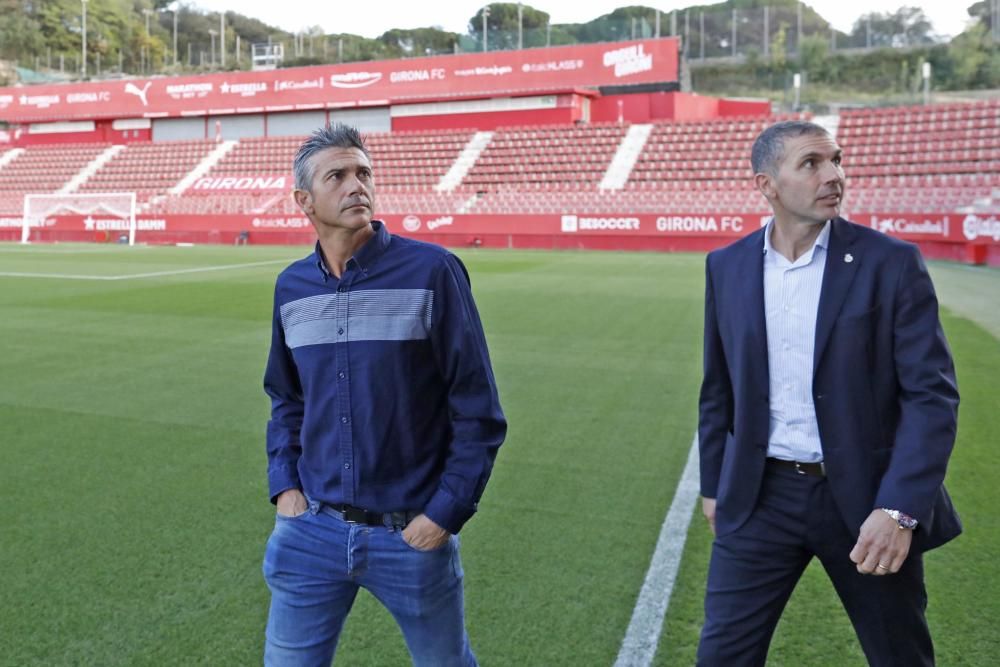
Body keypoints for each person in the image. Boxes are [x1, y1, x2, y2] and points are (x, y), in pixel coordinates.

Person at [696, 120, 961, 666]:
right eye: (811, 164)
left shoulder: (890, 263)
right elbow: (717, 389)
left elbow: (930, 398)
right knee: (721, 657)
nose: (833, 175)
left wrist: (898, 510)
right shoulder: (726, 267)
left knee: (899, 656)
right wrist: (713, 484)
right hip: (759, 498)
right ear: (767, 185)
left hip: (868, 500)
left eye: (836, 160)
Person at [261, 123, 506, 666]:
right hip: (311, 533)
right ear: (305, 200)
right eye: (338, 176)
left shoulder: (432, 271)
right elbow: (287, 400)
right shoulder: (291, 288)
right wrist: (287, 490)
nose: (357, 186)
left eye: (363, 172)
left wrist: (444, 513)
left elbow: (477, 409)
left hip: (410, 536)